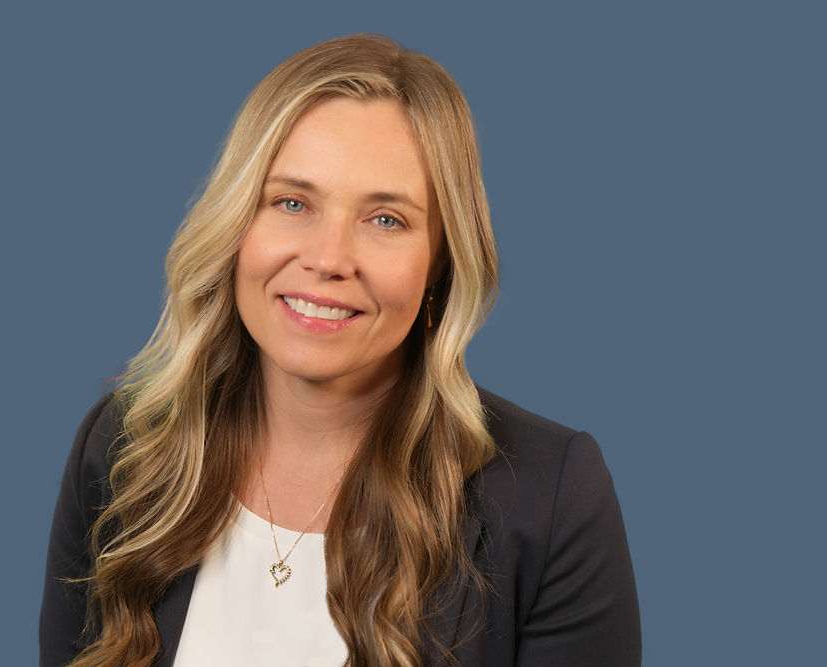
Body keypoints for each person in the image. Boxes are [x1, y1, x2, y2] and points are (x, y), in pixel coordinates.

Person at [39, 34, 640, 667]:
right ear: (236, 224)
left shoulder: (551, 498)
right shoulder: (124, 448)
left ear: (441, 260)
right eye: (292, 202)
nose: (328, 259)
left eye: (386, 219)